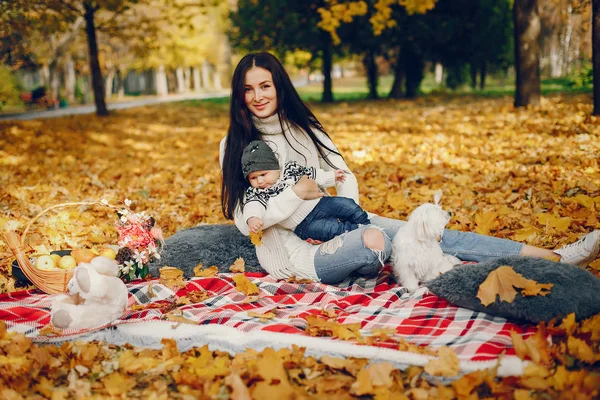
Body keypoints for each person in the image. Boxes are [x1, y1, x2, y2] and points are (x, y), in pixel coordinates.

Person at [220, 52, 600, 285]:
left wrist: (348, 214)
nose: (258, 97)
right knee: (386, 245)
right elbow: (244, 220)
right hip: (296, 250)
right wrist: (295, 195)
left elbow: (343, 175)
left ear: (279, 86)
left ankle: (557, 258)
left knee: (430, 236)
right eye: (249, 89)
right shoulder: (234, 145)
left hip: (340, 221)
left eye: (265, 85)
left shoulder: (306, 129)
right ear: (240, 93)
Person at [241, 140, 370, 241]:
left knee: (347, 205)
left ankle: (367, 225)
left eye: (263, 174)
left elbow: (312, 175)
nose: (260, 181)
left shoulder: (289, 171)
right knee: (332, 229)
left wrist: (331, 177)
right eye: (253, 178)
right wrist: (253, 218)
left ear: (275, 168)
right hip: (303, 225)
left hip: (320, 204)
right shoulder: (258, 192)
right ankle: (360, 234)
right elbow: (252, 205)